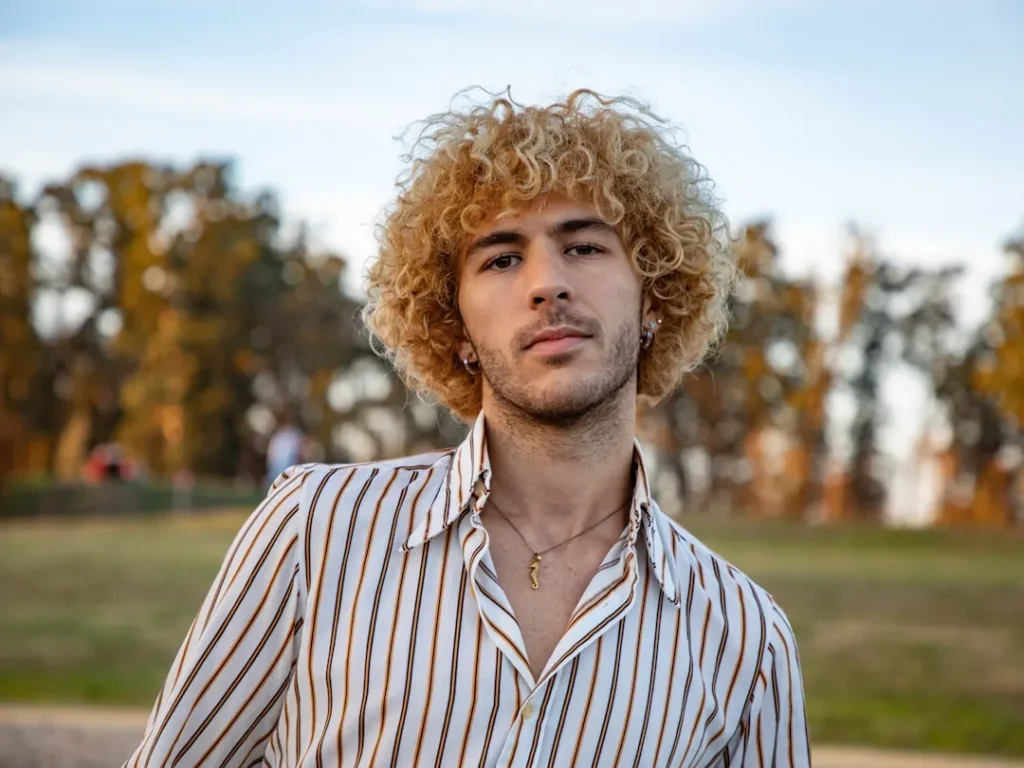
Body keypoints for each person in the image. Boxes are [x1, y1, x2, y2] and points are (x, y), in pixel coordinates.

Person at [125, 89, 810, 767]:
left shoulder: (745, 642)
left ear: (654, 294)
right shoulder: (314, 532)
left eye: (585, 247)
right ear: (457, 328)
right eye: (502, 259)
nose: (547, 284)